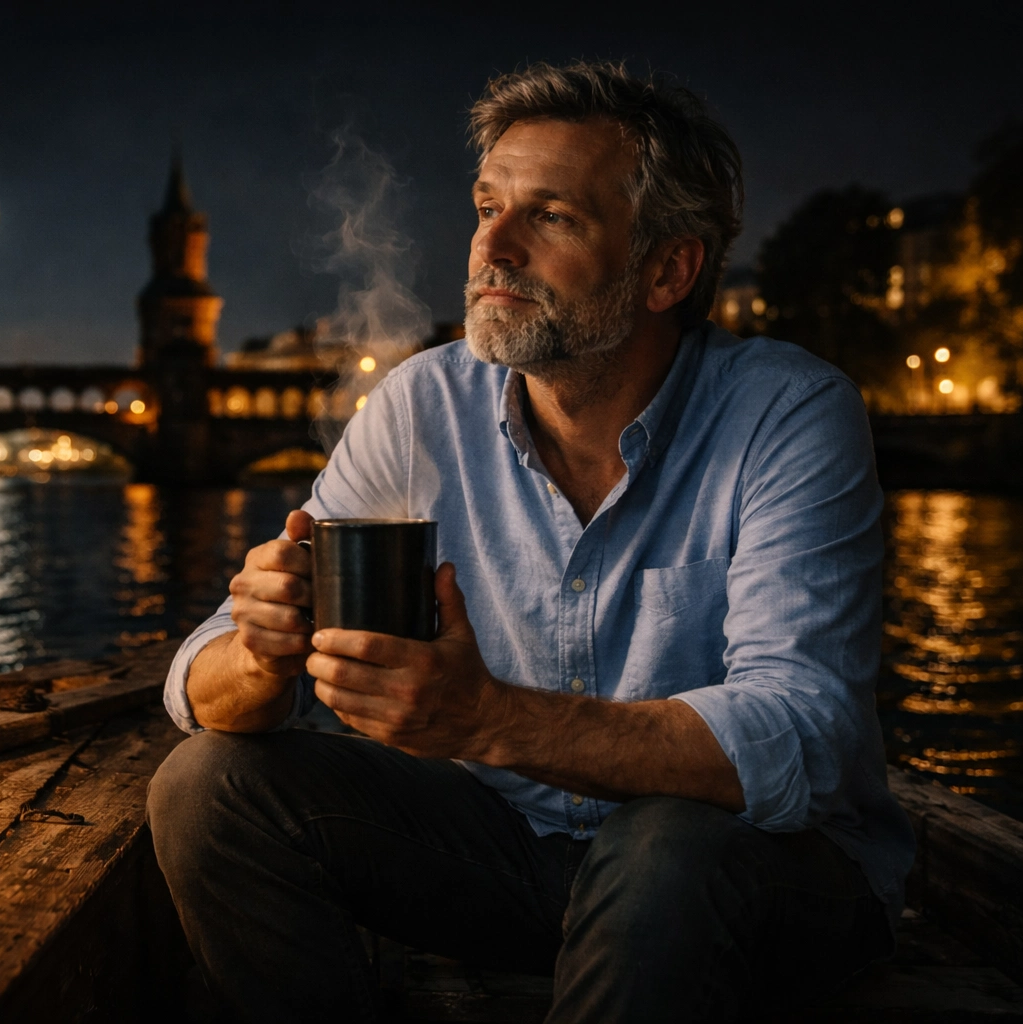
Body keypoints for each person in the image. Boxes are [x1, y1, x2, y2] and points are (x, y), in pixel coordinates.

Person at [148, 60, 914, 1022]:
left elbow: (803, 733)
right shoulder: (422, 404)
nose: (490, 249)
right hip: (513, 859)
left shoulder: (788, 412)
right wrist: (262, 659)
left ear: (667, 269)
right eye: (486, 207)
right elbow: (200, 674)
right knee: (209, 788)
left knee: (664, 846)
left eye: (551, 217)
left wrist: (486, 720)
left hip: (754, 876)